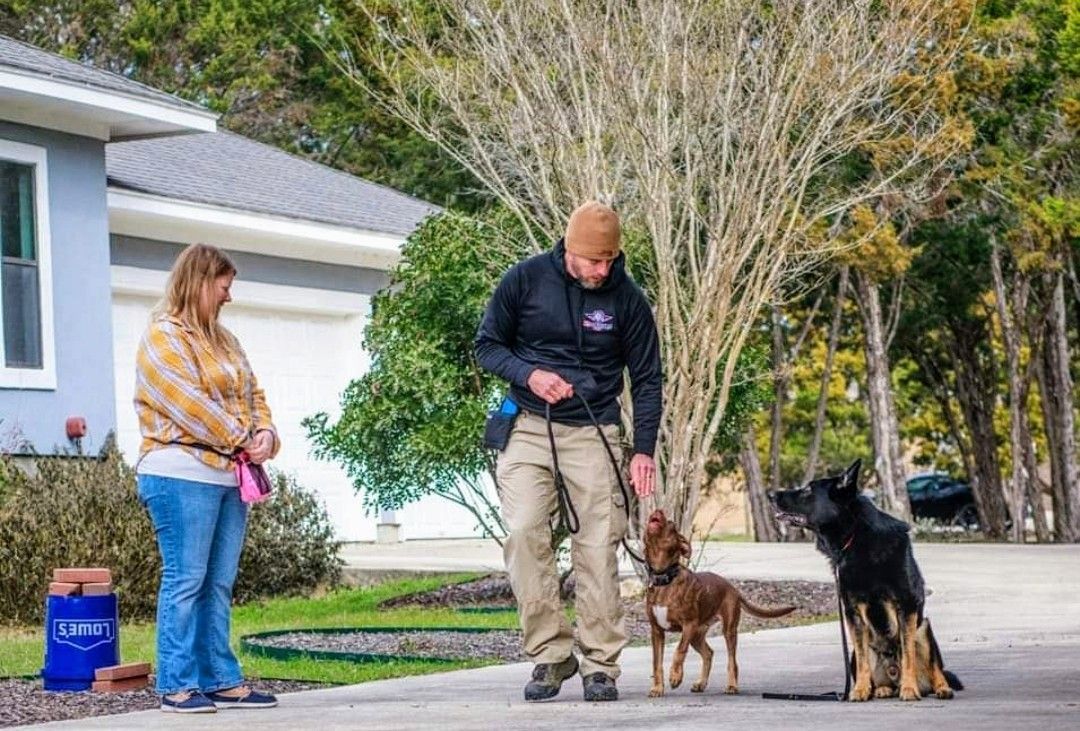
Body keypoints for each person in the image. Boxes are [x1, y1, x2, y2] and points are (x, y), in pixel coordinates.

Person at [475, 200, 663, 702]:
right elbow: (487, 345)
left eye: (610, 261)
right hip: (529, 425)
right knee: (523, 533)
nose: (602, 271)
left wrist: (642, 449)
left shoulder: (628, 300)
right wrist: (530, 374)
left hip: (595, 430)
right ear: (569, 248)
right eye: (593, 261)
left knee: (598, 546)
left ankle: (600, 663)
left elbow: (647, 379)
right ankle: (550, 656)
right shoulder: (525, 280)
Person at [133, 244, 280, 713]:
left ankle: (220, 678)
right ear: (198, 283)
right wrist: (243, 436)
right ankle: (176, 684)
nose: (229, 297)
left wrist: (266, 434)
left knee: (217, 582)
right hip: (178, 473)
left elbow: (254, 392)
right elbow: (190, 406)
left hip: (227, 475)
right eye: (223, 286)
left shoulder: (226, 340)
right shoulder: (163, 337)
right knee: (186, 579)